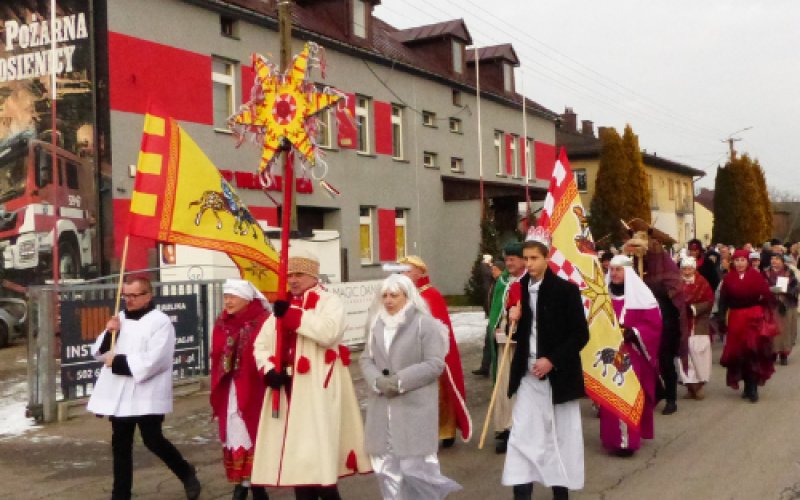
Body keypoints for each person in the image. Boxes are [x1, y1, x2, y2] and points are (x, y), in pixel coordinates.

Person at [251, 249, 371, 498]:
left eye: (299, 274)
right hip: (289, 391)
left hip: (318, 391)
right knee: (299, 461)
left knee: (319, 458)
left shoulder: (329, 302)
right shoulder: (284, 307)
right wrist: (269, 369)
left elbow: (328, 333)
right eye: (290, 275)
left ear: (313, 275)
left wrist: (292, 315)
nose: (293, 280)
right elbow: (261, 344)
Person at [87, 276, 201, 500]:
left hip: (146, 391)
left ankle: (185, 471)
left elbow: (157, 359)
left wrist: (119, 362)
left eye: (134, 295)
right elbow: (100, 352)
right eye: (126, 295)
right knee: (120, 444)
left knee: (153, 439)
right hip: (120, 393)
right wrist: (110, 333)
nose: (128, 300)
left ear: (148, 296)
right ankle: (120, 494)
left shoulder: (160, 322)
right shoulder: (119, 318)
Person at [502, 231, 589, 500]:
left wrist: (552, 360)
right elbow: (516, 334)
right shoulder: (518, 289)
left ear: (546, 258)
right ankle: (522, 493)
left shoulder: (565, 291)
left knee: (558, 438)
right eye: (525, 258)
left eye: (534, 258)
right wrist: (512, 318)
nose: (528, 263)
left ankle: (560, 493)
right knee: (522, 436)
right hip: (528, 377)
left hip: (558, 379)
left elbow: (580, 335)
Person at [360, 274, 462, 500]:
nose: (388, 300)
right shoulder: (376, 324)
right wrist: (376, 380)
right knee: (385, 469)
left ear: (408, 296)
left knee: (416, 470)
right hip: (382, 410)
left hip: (413, 410)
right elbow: (366, 359)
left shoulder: (425, 324)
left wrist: (400, 381)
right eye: (385, 295)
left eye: (394, 295)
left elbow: (435, 363)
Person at [399, 255, 471, 448]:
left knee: (437, 394)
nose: (403, 274)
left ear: (420, 272)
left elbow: (438, 327)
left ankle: (443, 431)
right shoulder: (403, 295)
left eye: (407, 270)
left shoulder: (431, 295)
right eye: (401, 270)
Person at [210, 279, 271, 500]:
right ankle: (244, 485)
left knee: (253, 432)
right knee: (235, 432)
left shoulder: (263, 321)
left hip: (254, 387)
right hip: (231, 388)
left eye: (232, 297)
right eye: (225, 296)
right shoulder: (223, 322)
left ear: (246, 299)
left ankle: (253, 485)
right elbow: (217, 351)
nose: (227, 301)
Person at [600, 255, 662, 457]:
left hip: (632, 354)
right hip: (608, 353)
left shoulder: (642, 296)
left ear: (627, 271)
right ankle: (613, 439)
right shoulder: (603, 296)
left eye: (618, 269)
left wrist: (633, 332)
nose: (614, 273)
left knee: (628, 395)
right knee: (611, 397)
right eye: (612, 270)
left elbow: (654, 324)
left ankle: (628, 442)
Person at [623, 222, 687, 416]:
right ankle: (652, 393)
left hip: (663, 315)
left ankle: (671, 398)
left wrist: (650, 288)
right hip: (639, 315)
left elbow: (674, 286)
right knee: (641, 356)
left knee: (664, 357)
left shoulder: (662, 259)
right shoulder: (631, 263)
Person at [718, 249, 776, 403]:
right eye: (737, 260)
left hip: (753, 317)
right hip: (736, 318)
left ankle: (753, 387)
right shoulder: (728, 279)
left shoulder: (756, 276)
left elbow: (767, 295)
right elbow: (723, 300)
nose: (739, 263)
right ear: (733, 262)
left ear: (748, 261)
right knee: (739, 353)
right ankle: (746, 386)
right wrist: (721, 317)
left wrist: (765, 304)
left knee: (753, 351)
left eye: (742, 260)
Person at [490, 242, 527, 454]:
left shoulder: (529, 282)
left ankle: (518, 428)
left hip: (522, 343)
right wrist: (497, 326)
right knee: (504, 385)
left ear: (523, 260)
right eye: (507, 260)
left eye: (513, 259)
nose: (509, 263)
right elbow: (496, 310)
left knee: (519, 386)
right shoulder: (503, 282)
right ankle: (504, 427)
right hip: (505, 339)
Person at [679, 257, 714, 400]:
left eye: (689, 269)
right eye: (684, 269)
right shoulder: (677, 283)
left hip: (698, 323)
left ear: (694, 269)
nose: (687, 272)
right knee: (684, 356)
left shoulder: (702, 283)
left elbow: (709, 301)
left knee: (699, 354)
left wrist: (693, 308)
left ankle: (699, 385)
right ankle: (690, 386)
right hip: (681, 323)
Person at [764, 252, 799, 365]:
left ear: (783, 261)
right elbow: (760, 286)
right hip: (771, 305)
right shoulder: (766, 272)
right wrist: (769, 289)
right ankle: (772, 353)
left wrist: (787, 291)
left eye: (777, 259)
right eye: (772, 259)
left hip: (786, 305)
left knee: (785, 331)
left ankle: (784, 354)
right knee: (772, 330)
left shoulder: (789, 272)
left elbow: (796, 287)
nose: (774, 261)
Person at [474, 259, 505, 377]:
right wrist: (485, 263)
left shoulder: (502, 284)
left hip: (499, 319)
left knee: (497, 345)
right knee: (488, 343)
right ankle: (485, 367)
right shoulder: (493, 281)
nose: (493, 272)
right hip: (492, 318)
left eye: (495, 270)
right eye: (492, 269)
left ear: (502, 271)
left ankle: (499, 369)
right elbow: (485, 273)